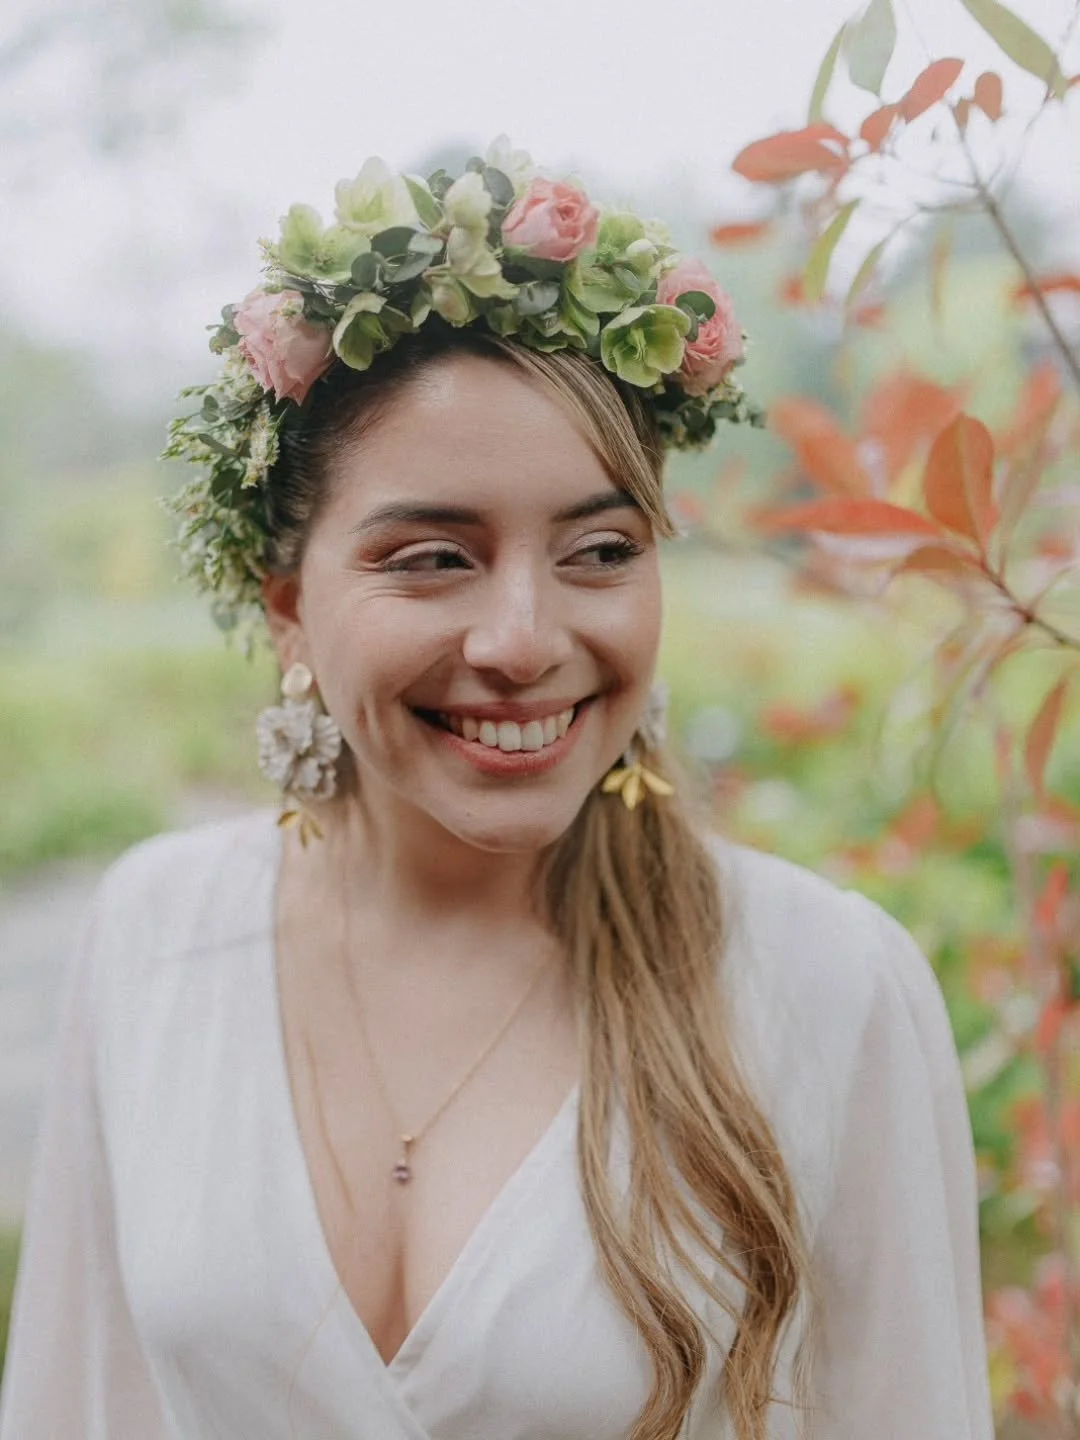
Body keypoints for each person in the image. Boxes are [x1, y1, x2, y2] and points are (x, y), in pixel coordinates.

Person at [0, 141, 995, 1440]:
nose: (523, 639)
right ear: (292, 609)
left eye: (597, 549)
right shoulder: (154, 935)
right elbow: (81, 1404)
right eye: (432, 557)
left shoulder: (827, 985)